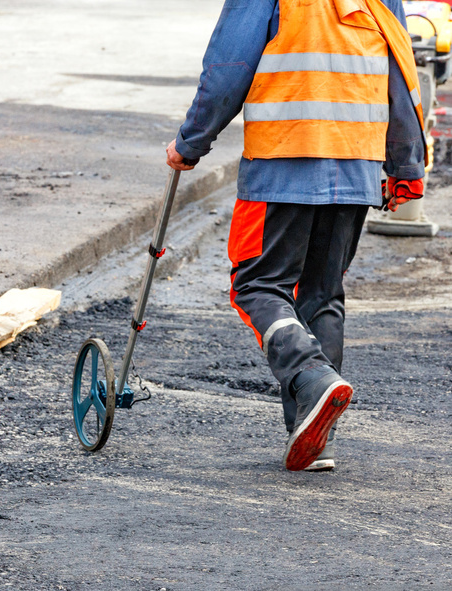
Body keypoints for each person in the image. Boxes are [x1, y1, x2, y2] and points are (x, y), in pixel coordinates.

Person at [166, 0, 426, 471]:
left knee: (256, 284)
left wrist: (191, 141)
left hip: (285, 156)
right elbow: (400, 69)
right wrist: (405, 163)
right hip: (357, 161)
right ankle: (313, 438)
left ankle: (310, 375)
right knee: (321, 294)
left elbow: (229, 68)